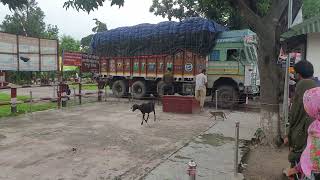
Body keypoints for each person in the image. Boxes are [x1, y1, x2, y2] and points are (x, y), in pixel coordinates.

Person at [285, 60, 318, 170]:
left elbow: (295, 112)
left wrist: (288, 134)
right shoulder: (317, 83)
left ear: (298, 74)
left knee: (299, 159)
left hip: (304, 130)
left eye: (295, 73)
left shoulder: (303, 84)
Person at [284, 87, 320, 179]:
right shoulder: (315, 124)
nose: (305, 107)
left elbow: (312, 156)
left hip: (313, 174)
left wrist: (297, 168)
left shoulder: (315, 129)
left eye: (308, 104)